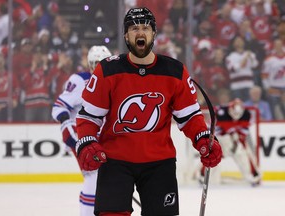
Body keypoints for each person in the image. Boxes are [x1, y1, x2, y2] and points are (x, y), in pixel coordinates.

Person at [75, 7, 222, 216]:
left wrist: (203, 139)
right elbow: (89, 117)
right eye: (134, 28)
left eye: (145, 27)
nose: (140, 33)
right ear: (126, 35)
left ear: (154, 33)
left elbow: (190, 117)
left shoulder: (174, 71)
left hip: (159, 163)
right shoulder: (107, 70)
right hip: (115, 161)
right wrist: (87, 141)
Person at [51, 45, 112, 216]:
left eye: (103, 63)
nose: (99, 67)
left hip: (105, 140)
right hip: (83, 138)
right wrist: (71, 131)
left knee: (101, 179)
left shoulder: (113, 81)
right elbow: (59, 107)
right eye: (96, 63)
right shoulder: (79, 80)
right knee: (93, 177)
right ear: (90, 64)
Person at [215, 98, 261, 186]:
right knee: (215, 154)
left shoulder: (246, 115)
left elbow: (242, 134)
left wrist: (239, 141)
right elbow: (217, 132)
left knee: (244, 152)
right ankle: (201, 174)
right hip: (221, 138)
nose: (236, 116)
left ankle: (252, 174)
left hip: (234, 139)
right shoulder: (221, 113)